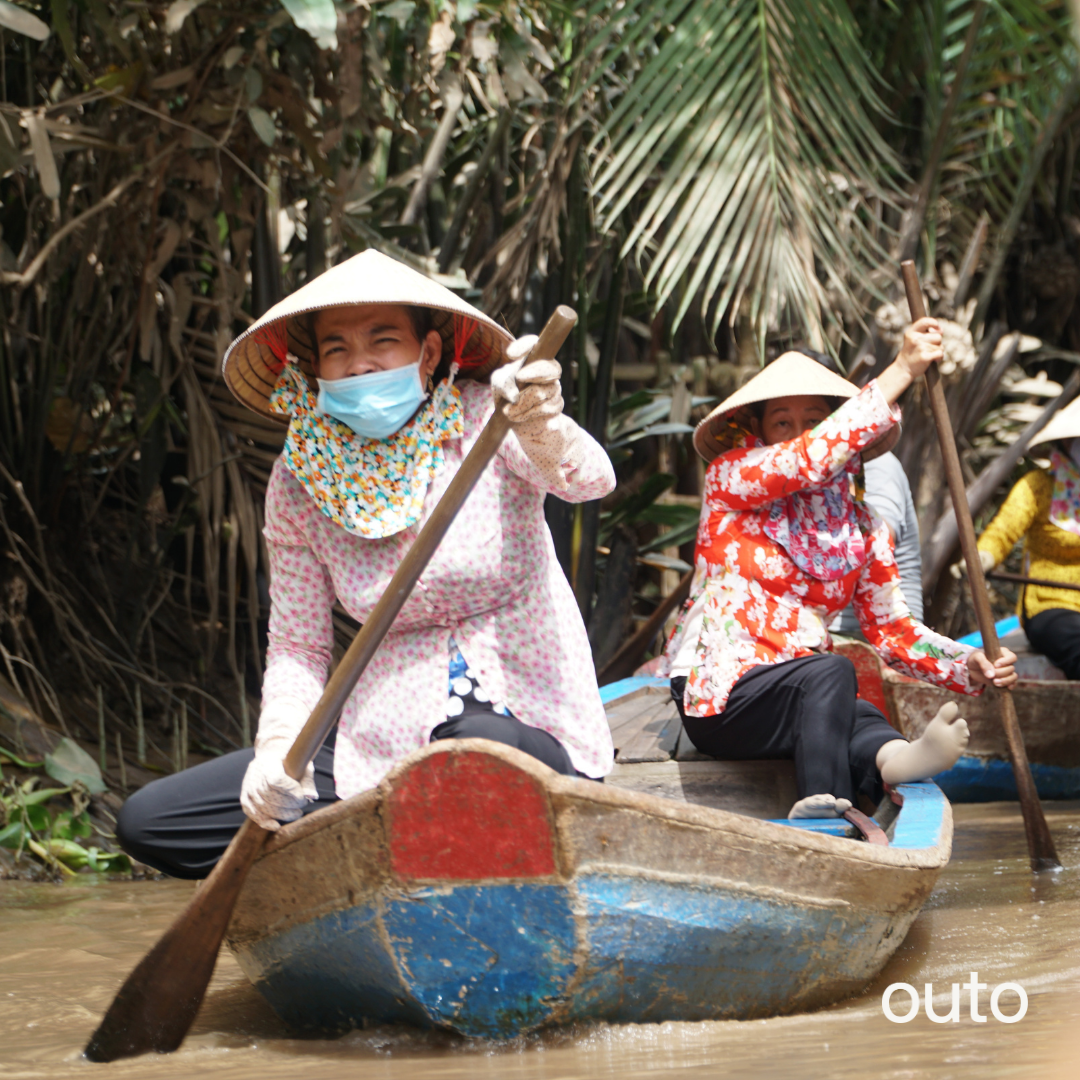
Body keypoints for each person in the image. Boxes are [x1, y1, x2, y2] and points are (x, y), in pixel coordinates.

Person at [116, 250, 616, 878]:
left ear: (428, 353)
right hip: (380, 736)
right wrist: (274, 751)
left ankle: (414, 852)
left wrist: (541, 421)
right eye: (337, 350)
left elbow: (589, 481)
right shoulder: (300, 480)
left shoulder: (488, 417)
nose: (361, 364)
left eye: (384, 340)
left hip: (523, 720)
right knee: (154, 820)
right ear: (315, 368)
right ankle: (367, 863)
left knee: (470, 762)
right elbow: (298, 645)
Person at [660, 320, 1017, 818]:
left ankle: (900, 759)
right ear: (761, 434)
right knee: (830, 672)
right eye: (783, 422)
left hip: (801, 697)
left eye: (814, 419)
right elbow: (807, 459)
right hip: (720, 696)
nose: (801, 431)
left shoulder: (861, 526)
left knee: (855, 712)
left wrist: (967, 665)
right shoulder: (732, 480)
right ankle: (825, 812)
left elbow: (893, 630)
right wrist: (902, 370)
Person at [969, 397, 1080, 679]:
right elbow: (1002, 532)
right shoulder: (1037, 486)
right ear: (1065, 442)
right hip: (1051, 604)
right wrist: (985, 555)